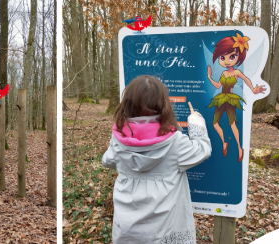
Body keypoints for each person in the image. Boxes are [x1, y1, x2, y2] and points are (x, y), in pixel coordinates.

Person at [102, 75, 212, 244]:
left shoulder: (119, 138)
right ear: (163, 104)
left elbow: (107, 161)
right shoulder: (175, 143)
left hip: (127, 231)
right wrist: (196, 122)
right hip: (163, 232)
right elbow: (202, 150)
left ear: (128, 104)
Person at [207, 33, 266, 162]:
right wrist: (209, 77)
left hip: (230, 99)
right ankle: (224, 142)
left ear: (238, 57)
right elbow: (218, 85)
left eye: (232, 57)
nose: (227, 61)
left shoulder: (237, 72)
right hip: (221, 98)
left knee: (232, 124)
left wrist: (253, 90)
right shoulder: (223, 72)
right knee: (215, 123)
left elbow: (247, 80)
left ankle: (240, 148)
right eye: (223, 58)